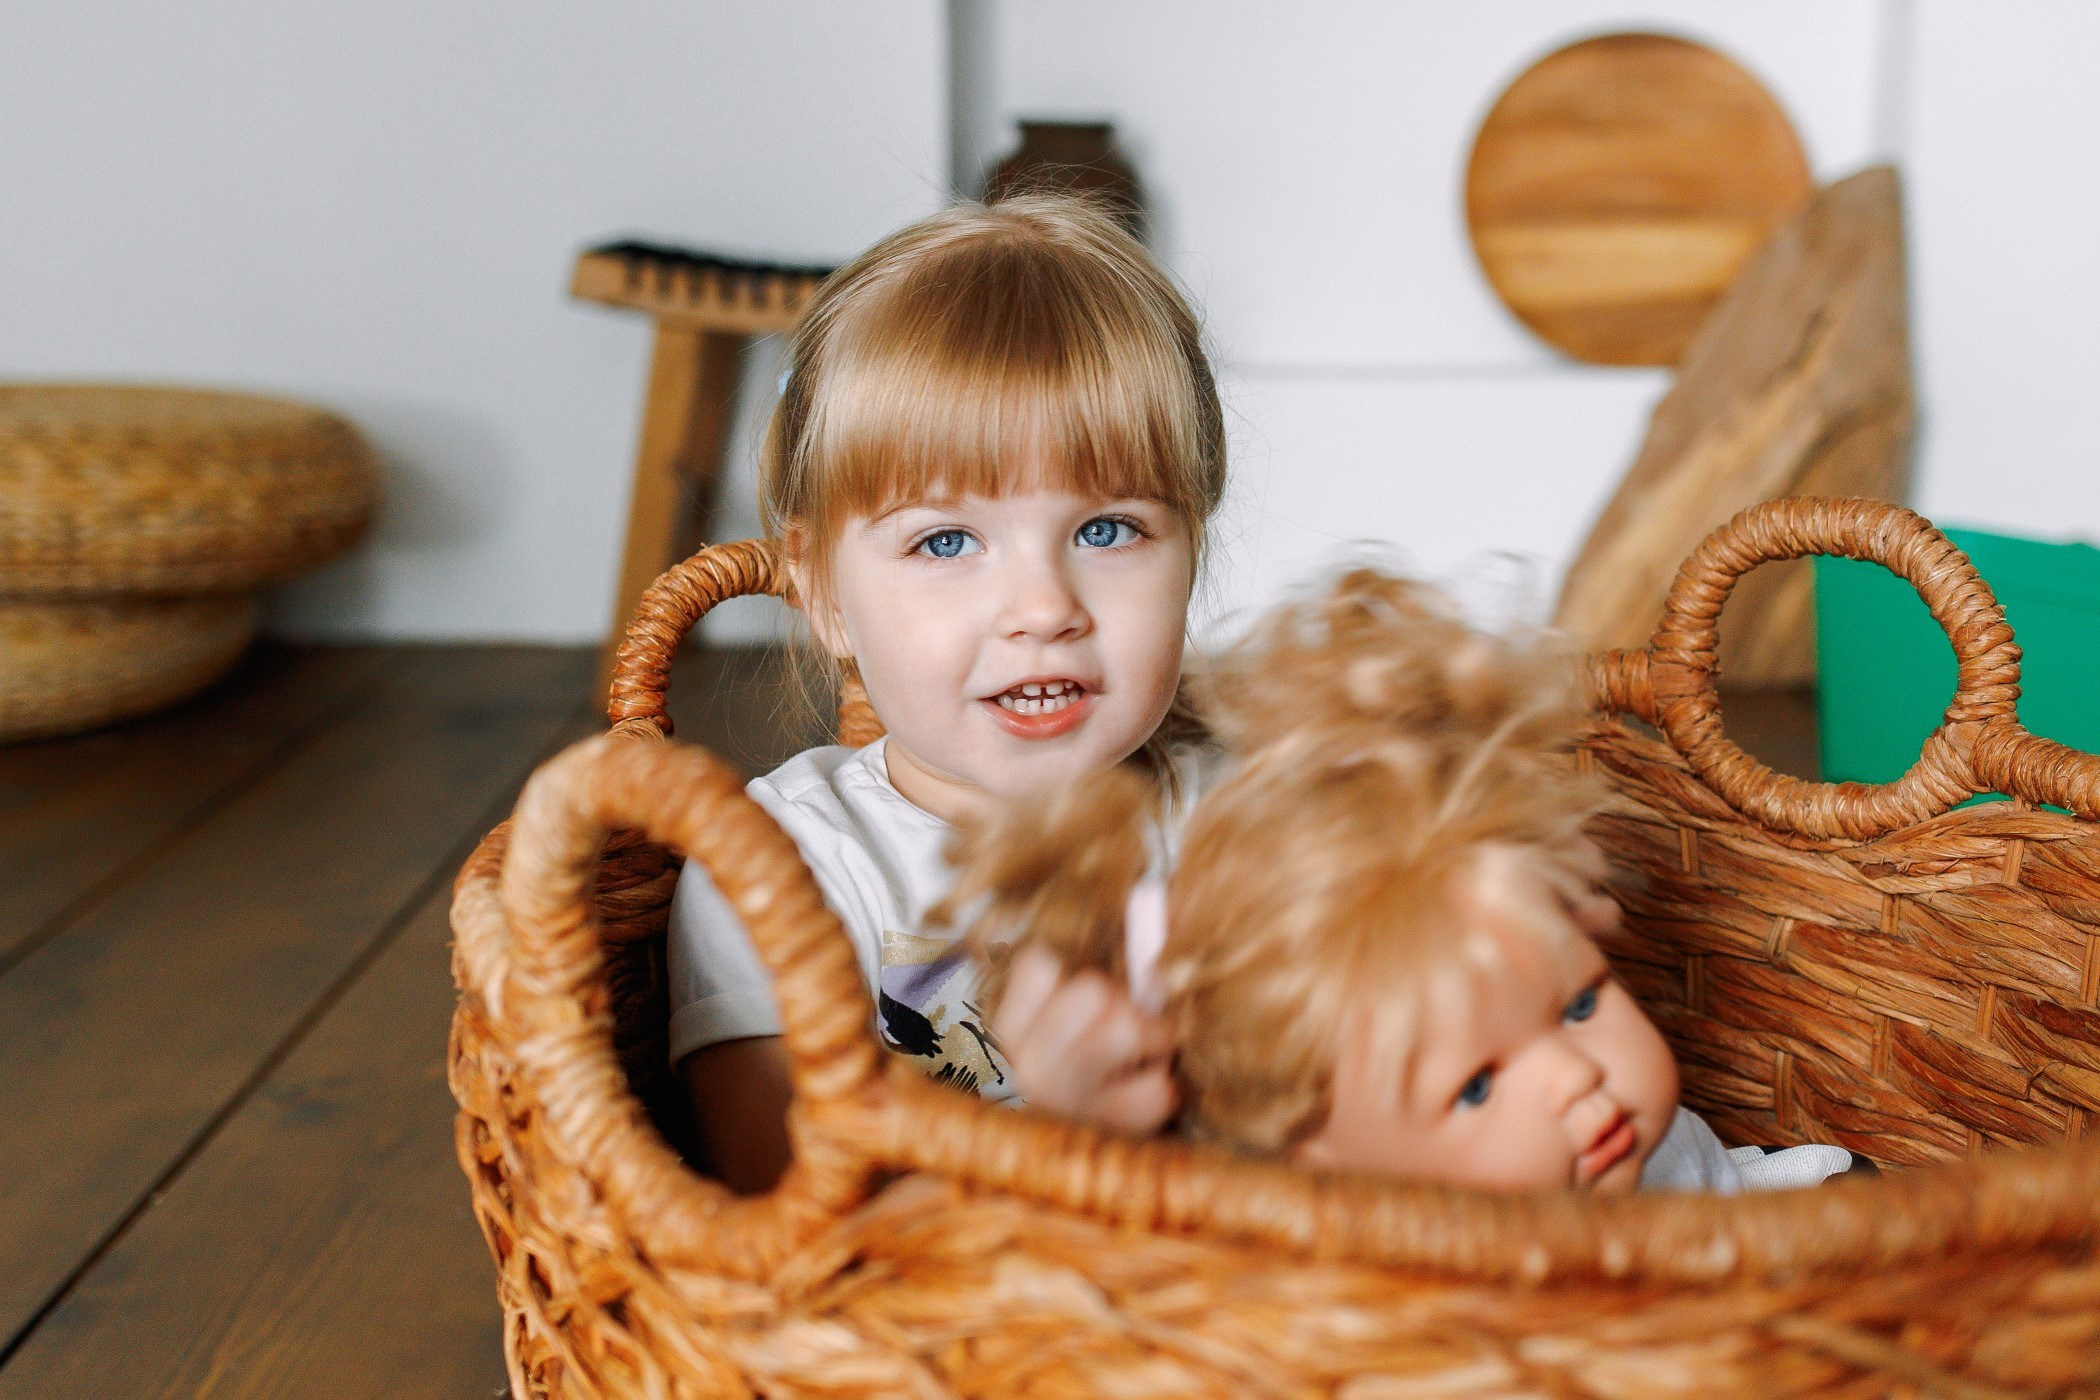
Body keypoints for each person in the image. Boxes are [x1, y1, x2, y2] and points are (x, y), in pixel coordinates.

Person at [947, 568, 1861, 1193]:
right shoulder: (1333, 1287)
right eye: (1473, 1087)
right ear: (1322, 1161)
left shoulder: (1657, 1157)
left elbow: (1765, 1205)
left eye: (1580, 1003)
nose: (1577, 1078)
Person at [667, 195, 1223, 1192]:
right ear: (825, 592)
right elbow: (788, 1213)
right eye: (946, 540)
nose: (1044, 607)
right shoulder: (784, 869)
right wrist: (1066, 1132)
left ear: (1194, 549)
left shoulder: (1246, 811)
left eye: (1108, 529)